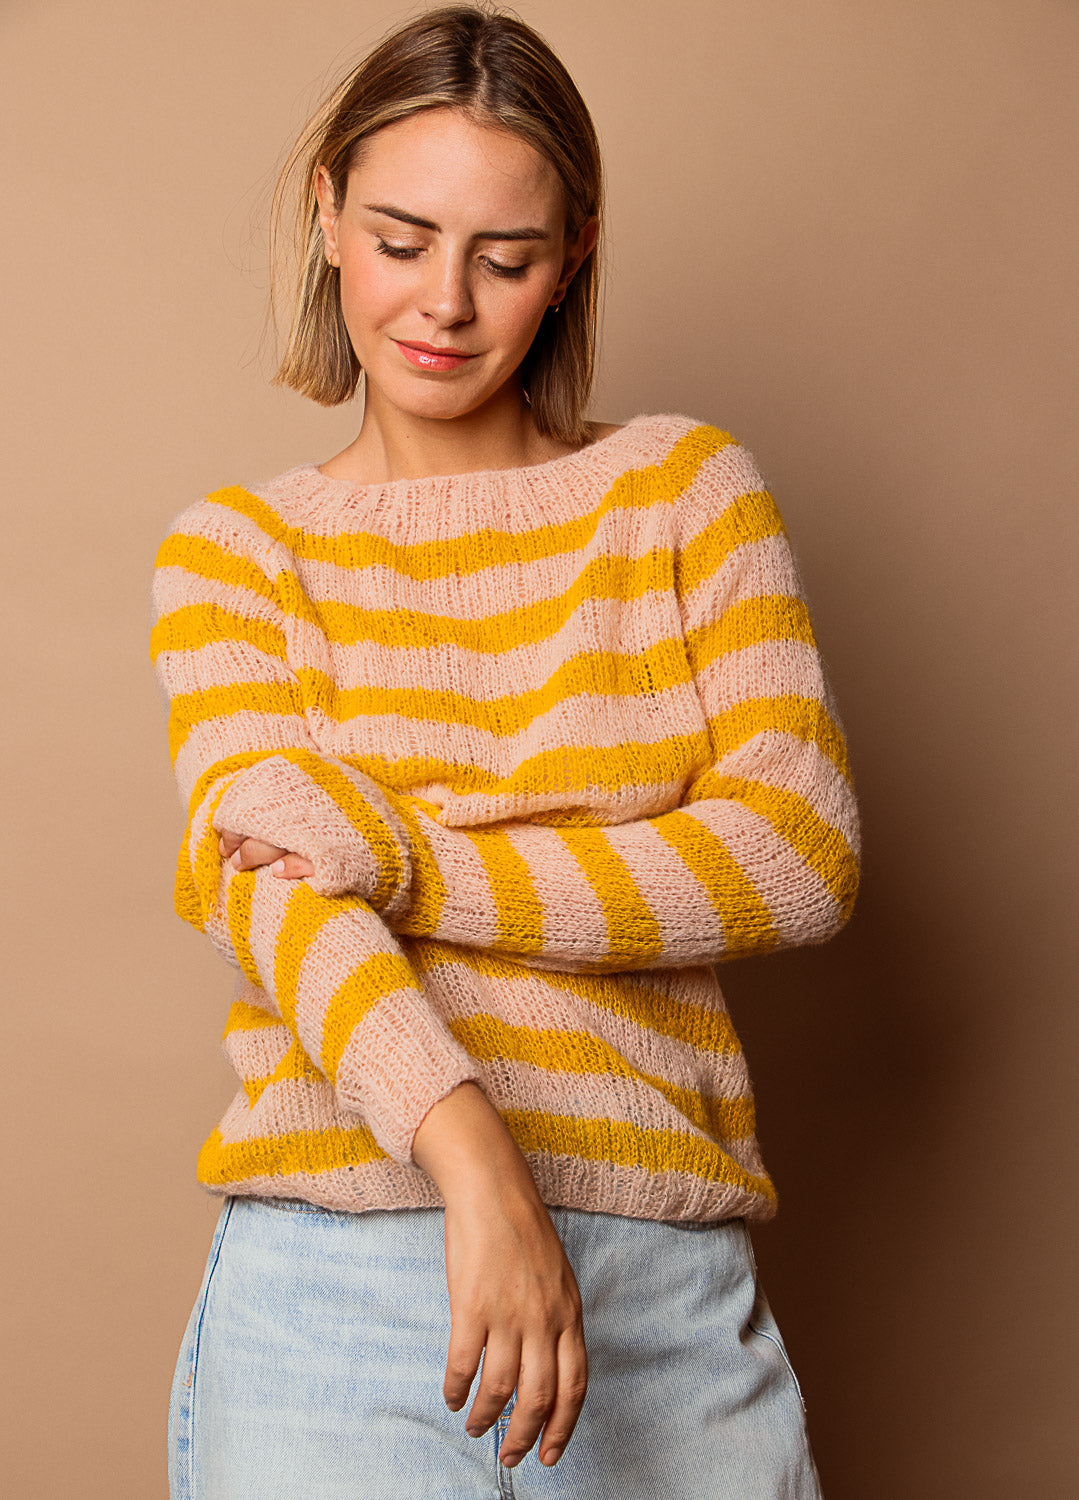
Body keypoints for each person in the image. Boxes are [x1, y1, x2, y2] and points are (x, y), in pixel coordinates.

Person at [151, 6, 860, 1496]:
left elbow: (794, 852)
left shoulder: (684, 493)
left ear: (576, 255)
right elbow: (274, 896)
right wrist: (472, 1156)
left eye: (507, 257)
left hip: (661, 1294)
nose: (445, 303)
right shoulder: (238, 553)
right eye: (401, 240)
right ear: (327, 215)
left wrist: (408, 859)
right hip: (340, 1288)